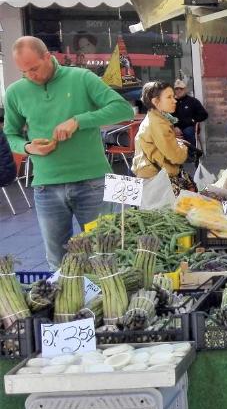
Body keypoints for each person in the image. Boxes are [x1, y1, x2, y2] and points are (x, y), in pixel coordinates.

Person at [2, 36, 134, 268]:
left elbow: (123, 110)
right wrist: (27, 147)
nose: (30, 75)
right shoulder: (15, 92)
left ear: (47, 56)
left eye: (34, 68)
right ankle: (68, 304)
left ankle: (106, 302)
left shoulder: (81, 78)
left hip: (93, 182)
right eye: (24, 71)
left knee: (104, 256)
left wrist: (79, 120)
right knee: (57, 260)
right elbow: (10, 135)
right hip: (45, 186)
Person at [132, 81, 194, 193]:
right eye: (169, 97)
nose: (174, 100)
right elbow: (177, 157)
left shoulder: (153, 118)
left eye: (173, 96)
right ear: (155, 101)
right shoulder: (159, 124)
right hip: (157, 180)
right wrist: (183, 147)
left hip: (148, 175)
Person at [170, 78, 208, 152]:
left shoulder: (193, 101)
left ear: (185, 90)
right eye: (177, 89)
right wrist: (174, 127)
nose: (179, 90)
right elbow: (168, 116)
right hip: (174, 127)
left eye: (181, 88)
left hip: (188, 126)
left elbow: (204, 114)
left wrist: (193, 120)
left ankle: (192, 154)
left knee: (188, 131)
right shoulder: (171, 102)